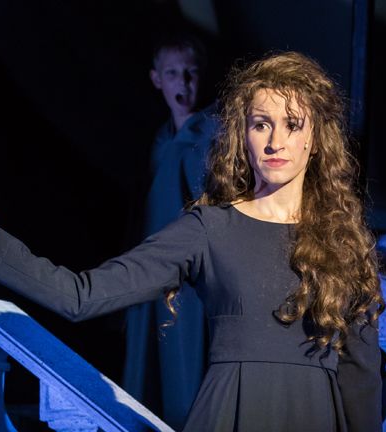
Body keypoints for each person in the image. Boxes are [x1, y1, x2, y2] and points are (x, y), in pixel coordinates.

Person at [0, 51, 385, 431]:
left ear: (315, 140)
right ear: (243, 135)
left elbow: (361, 378)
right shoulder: (209, 229)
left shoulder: (344, 241)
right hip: (230, 415)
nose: (275, 141)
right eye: (261, 123)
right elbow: (81, 296)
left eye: (293, 124)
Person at [124, 33, 217, 428]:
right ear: (157, 79)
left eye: (190, 72)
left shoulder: (215, 131)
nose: (184, 82)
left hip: (194, 276)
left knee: (189, 370)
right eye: (173, 73)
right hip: (153, 273)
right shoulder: (161, 140)